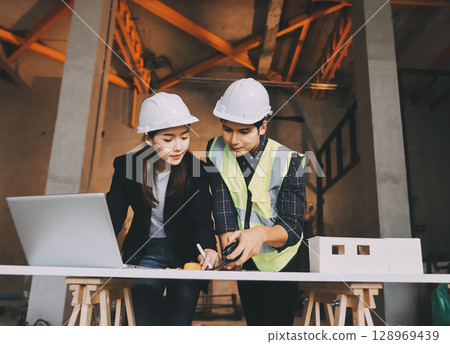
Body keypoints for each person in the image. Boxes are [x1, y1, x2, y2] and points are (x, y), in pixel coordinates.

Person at [106, 92, 219, 326]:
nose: (179, 147)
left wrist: (209, 248)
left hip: (186, 253)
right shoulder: (127, 167)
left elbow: (201, 220)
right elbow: (113, 215)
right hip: (146, 251)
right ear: (149, 139)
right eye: (168, 139)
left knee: (178, 324)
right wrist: (96, 250)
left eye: (185, 137)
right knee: (140, 323)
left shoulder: (198, 170)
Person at [206, 78, 306, 326]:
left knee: (276, 328)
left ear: (262, 127)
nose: (233, 140)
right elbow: (223, 207)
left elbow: (293, 227)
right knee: (254, 325)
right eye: (227, 129)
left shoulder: (288, 160)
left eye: (244, 131)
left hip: (282, 260)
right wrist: (229, 252)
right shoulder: (215, 151)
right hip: (247, 257)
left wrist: (259, 234)